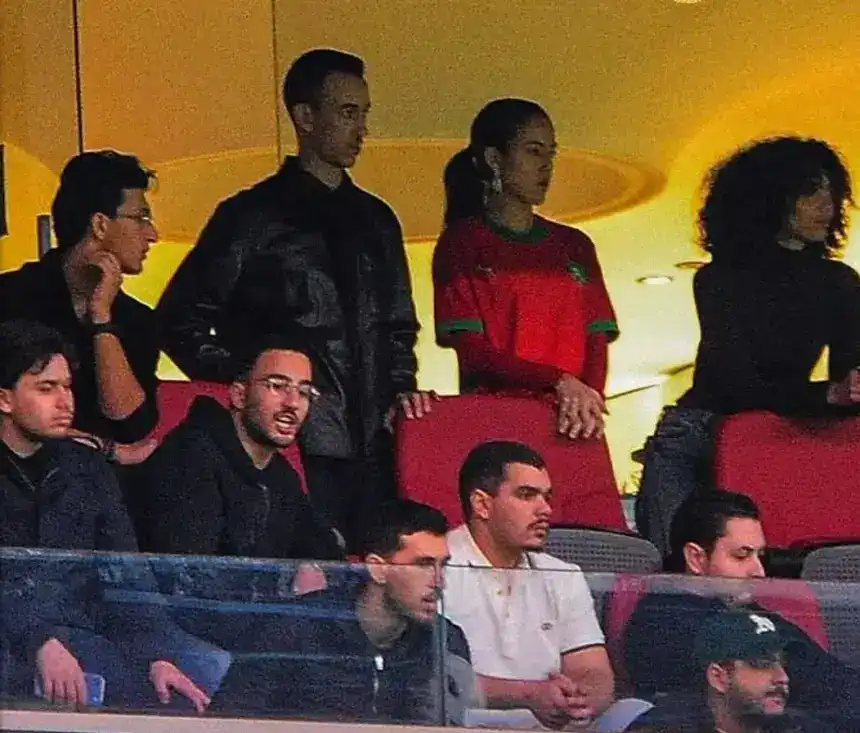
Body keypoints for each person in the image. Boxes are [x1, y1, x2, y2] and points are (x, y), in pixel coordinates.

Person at [156, 48, 435, 552]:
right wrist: (254, 385)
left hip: (376, 444)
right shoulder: (250, 216)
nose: (362, 129)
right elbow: (180, 319)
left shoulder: (377, 220)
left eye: (364, 114)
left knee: (372, 575)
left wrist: (401, 393)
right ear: (306, 117)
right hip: (291, 444)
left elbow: (398, 327)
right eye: (348, 113)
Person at [635, 137, 860, 557]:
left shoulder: (840, 282)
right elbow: (736, 381)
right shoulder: (720, 279)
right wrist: (827, 394)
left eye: (832, 191)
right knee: (677, 566)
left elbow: (850, 375)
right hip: (701, 430)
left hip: (784, 429)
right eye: (811, 190)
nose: (825, 205)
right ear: (770, 198)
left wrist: (845, 391)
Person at [0, 320, 210, 711]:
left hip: (83, 636)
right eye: (46, 388)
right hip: (12, 640)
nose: (66, 402)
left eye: (67, 386)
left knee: (175, 694)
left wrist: (157, 656)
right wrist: (40, 640)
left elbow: (126, 573)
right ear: (5, 400)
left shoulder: (89, 469)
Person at [433, 98, 618, 441]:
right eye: (534, 151)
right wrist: (560, 381)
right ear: (494, 159)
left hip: (573, 423)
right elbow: (473, 351)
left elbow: (597, 338)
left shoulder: (576, 245)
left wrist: (589, 400)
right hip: (498, 425)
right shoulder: (462, 244)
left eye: (551, 153)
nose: (546, 166)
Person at [624, 489, 860, 728]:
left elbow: (832, 678)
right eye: (741, 555)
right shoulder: (661, 625)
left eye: (759, 556)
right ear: (696, 558)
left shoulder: (749, 611)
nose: (758, 571)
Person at [234, 499, 475, 724]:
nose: (439, 581)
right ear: (377, 569)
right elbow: (231, 720)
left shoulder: (447, 641)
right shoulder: (294, 628)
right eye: (422, 565)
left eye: (443, 565)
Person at [443, 440, 615, 729]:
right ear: (482, 504)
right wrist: (529, 694)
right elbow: (430, 677)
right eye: (527, 495)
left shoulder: (564, 574)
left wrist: (579, 699)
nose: (545, 509)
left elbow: (593, 669)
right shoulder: (433, 566)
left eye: (547, 497)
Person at [0, 151, 161, 458]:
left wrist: (101, 320)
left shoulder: (138, 320)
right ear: (100, 225)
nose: (152, 234)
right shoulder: (11, 298)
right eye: (141, 218)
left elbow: (130, 424)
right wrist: (108, 449)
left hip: (101, 486)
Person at [139, 332, 342, 560]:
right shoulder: (188, 459)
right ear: (239, 395)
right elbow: (190, 578)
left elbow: (324, 551)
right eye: (277, 386)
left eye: (304, 392)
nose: (293, 403)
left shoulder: (282, 476)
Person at [631, 610, 825, 733]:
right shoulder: (665, 727)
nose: (783, 678)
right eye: (763, 663)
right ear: (719, 677)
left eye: (783, 664)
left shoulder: (801, 727)